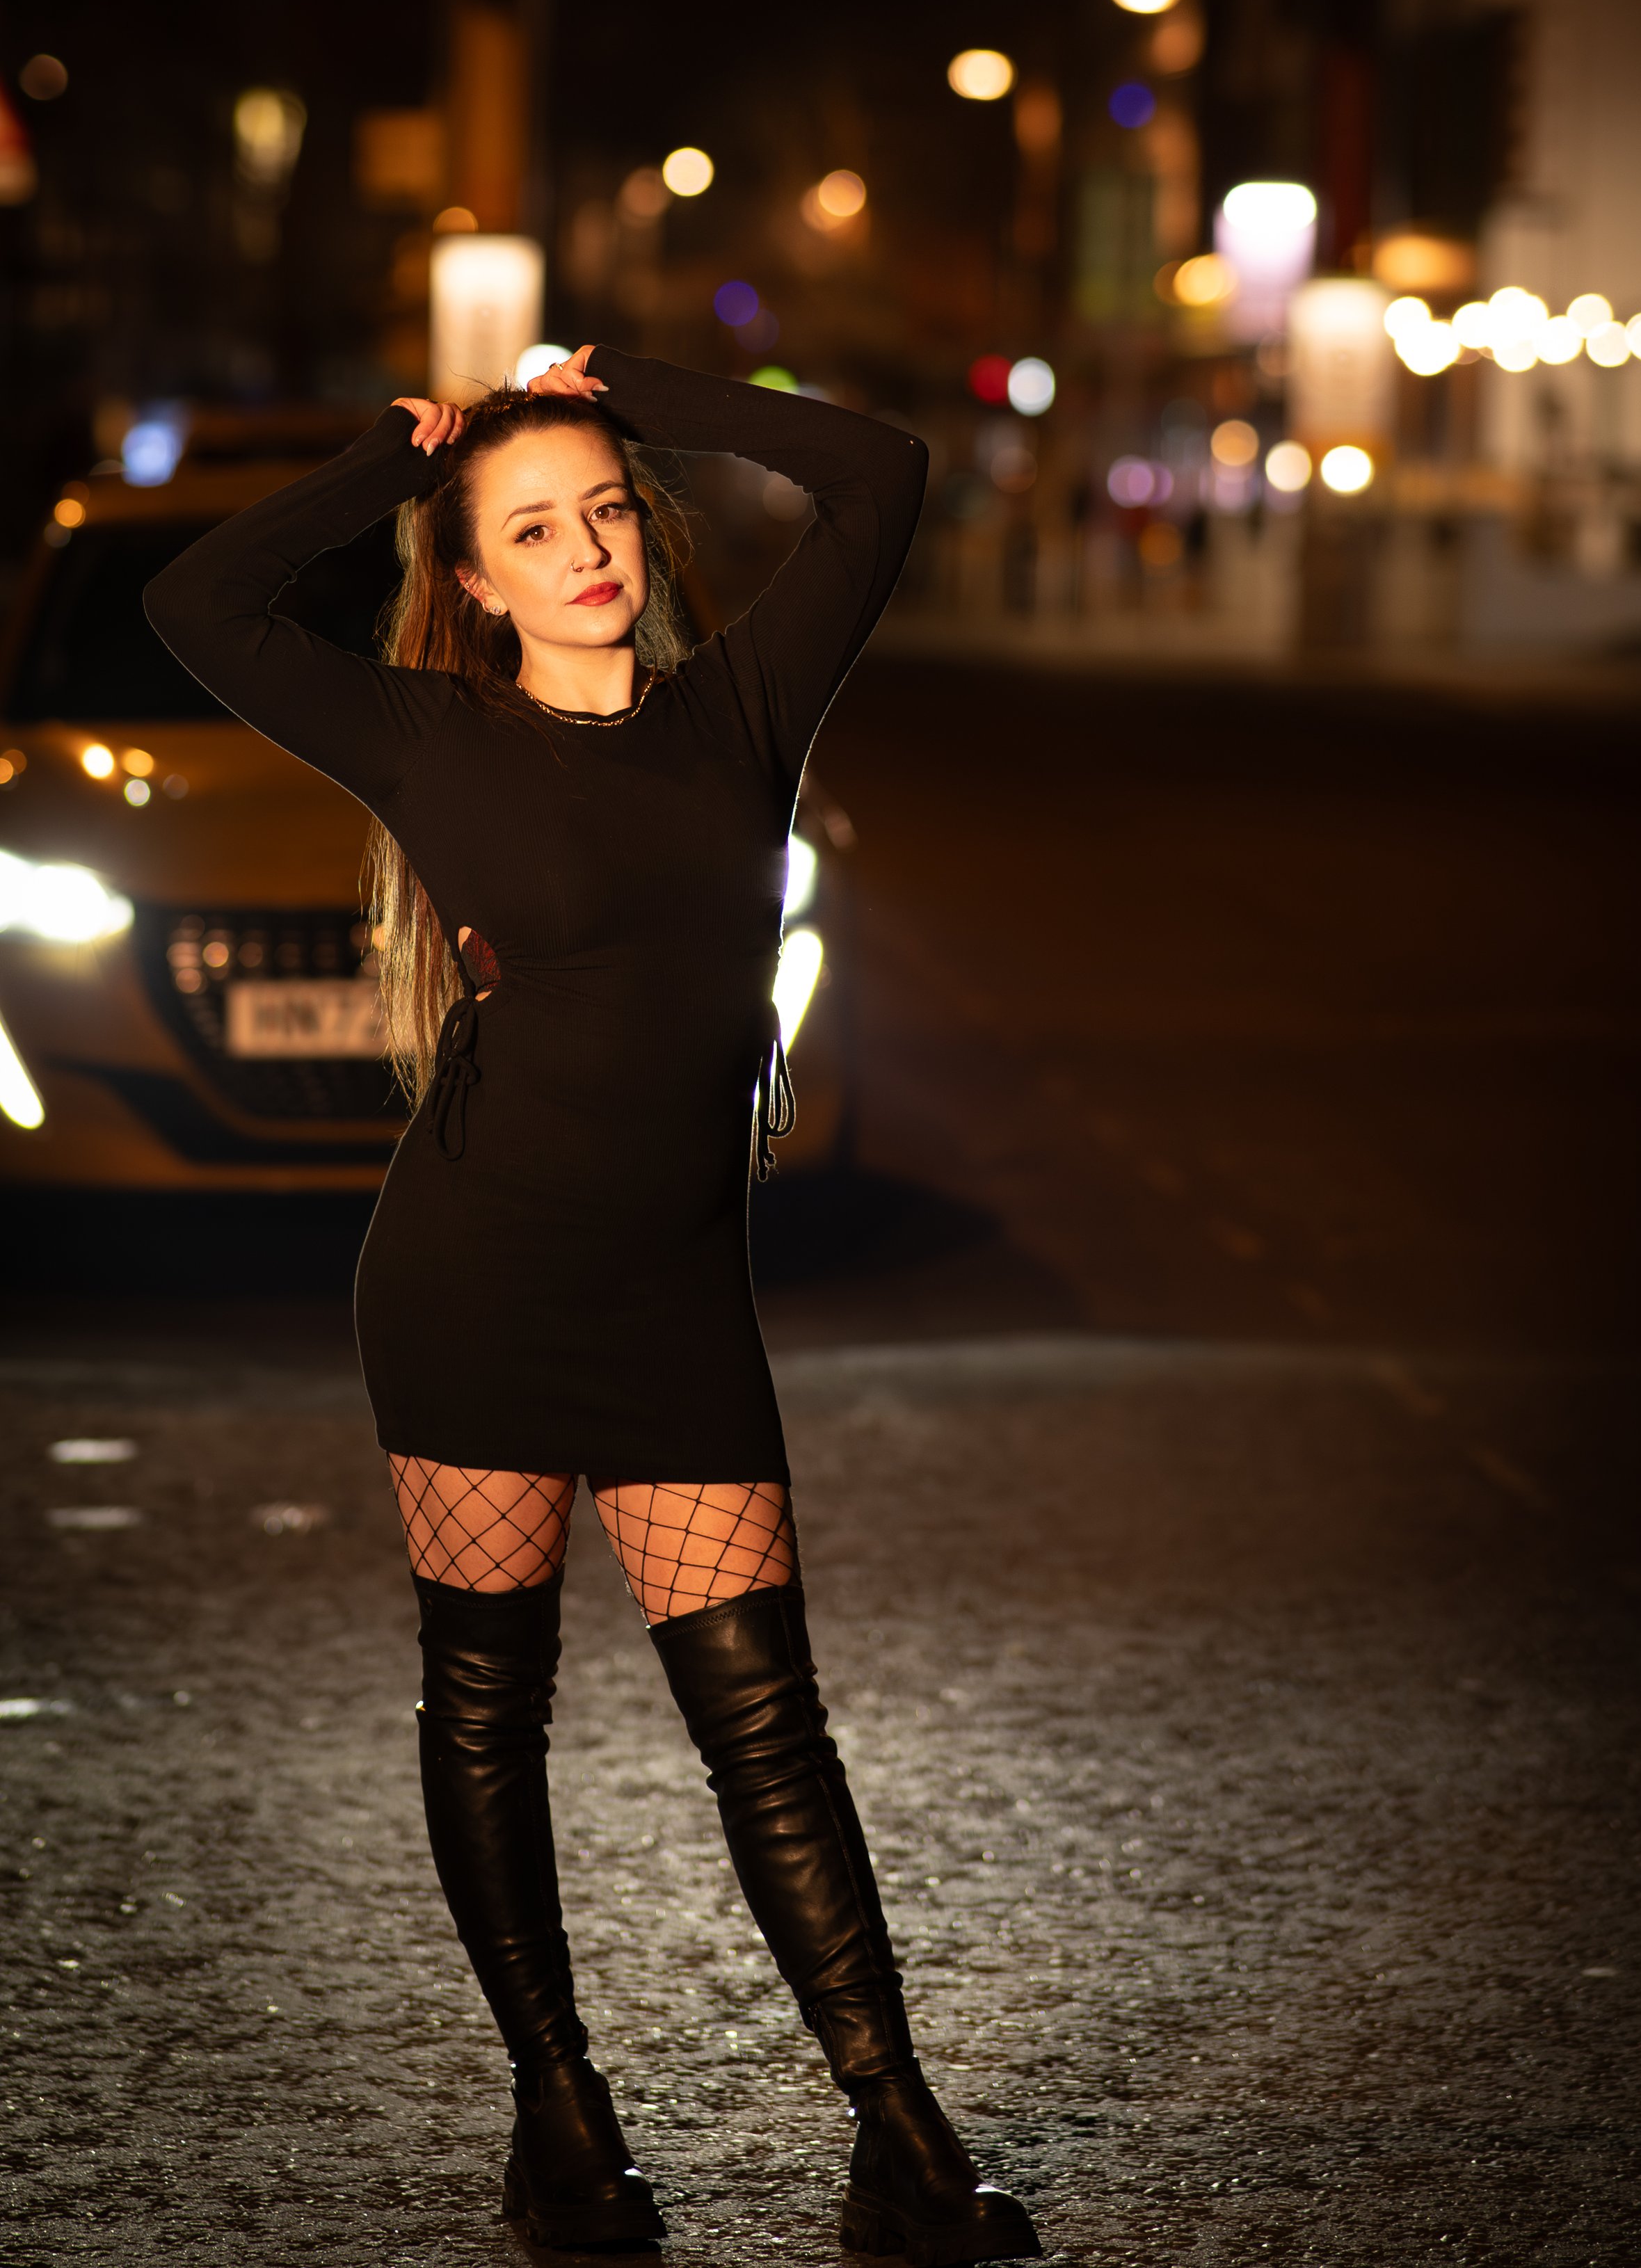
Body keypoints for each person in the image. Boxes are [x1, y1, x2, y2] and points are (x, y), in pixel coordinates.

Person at [145, 347, 1041, 2267]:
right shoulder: (429, 737)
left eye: (609, 511)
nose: (587, 553)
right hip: (476, 1281)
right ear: (473, 577)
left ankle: (897, 2132)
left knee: (767, 1721)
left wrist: (637, 389)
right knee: (489, 1704)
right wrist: (396, 458)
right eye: (535, 530)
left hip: (673, 1299)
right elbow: (196, 603)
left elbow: (878, 473)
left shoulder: (741, 709)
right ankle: (562, 2119)